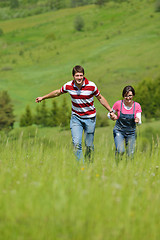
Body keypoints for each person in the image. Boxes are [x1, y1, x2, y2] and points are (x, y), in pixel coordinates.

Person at [35, 65, 113, 162]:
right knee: (76, 143)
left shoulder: (91, 86)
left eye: (81, 75)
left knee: (89, 145)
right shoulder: (68, 85)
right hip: (76, 118)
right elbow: (57, 92)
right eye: (77, 75)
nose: (79, 78)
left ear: (84, 76)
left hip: (90, 118)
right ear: (73, 76)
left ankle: (89, 164)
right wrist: (43, 97)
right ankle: (81, 167)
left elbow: (100, 98)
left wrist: (110, 110)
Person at [108, 85, 142, 161]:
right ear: (123, 96)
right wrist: (111, 116)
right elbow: (109, 114)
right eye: (126, 96)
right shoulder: (118, 104)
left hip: (131, 132)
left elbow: (139, 121)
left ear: (133, 95)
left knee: (130, 155)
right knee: (121, 150)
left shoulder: (137, 106)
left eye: (130, 95)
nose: (128, 98)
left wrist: (138, 120)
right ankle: (117, 163)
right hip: (119, 130)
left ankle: (128, 169)